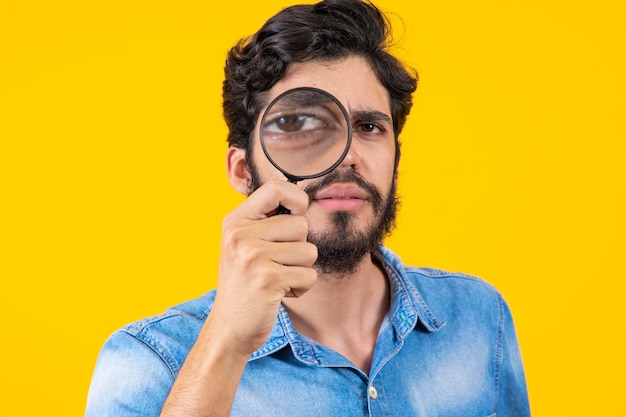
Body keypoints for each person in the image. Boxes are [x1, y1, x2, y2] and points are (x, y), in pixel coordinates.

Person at [85, 0, 530, 416]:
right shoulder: (148, 361)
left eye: (370, 126)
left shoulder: (479, 316)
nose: (348, 154)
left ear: (396, 158)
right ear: (243, 170)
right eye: (298, 123)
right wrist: (227, 345)